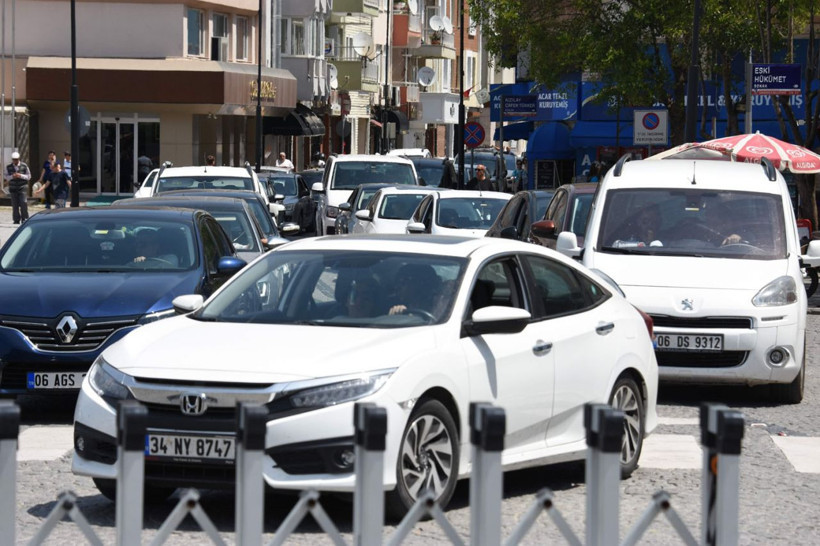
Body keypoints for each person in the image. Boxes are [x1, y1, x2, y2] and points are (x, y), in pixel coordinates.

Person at [4, 152, 32, 224]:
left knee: (23, 203)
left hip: (22, 187)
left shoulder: (24, 166)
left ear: (19, 159)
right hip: (13, 187)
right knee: (14, 204)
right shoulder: (8, 167)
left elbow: (29, 176)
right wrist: (12, 176)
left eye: (16, 159)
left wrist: (20, 175)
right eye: (14, 159)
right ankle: (16, 219)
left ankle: (25, 218)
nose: (15, 161)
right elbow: (6, 177)